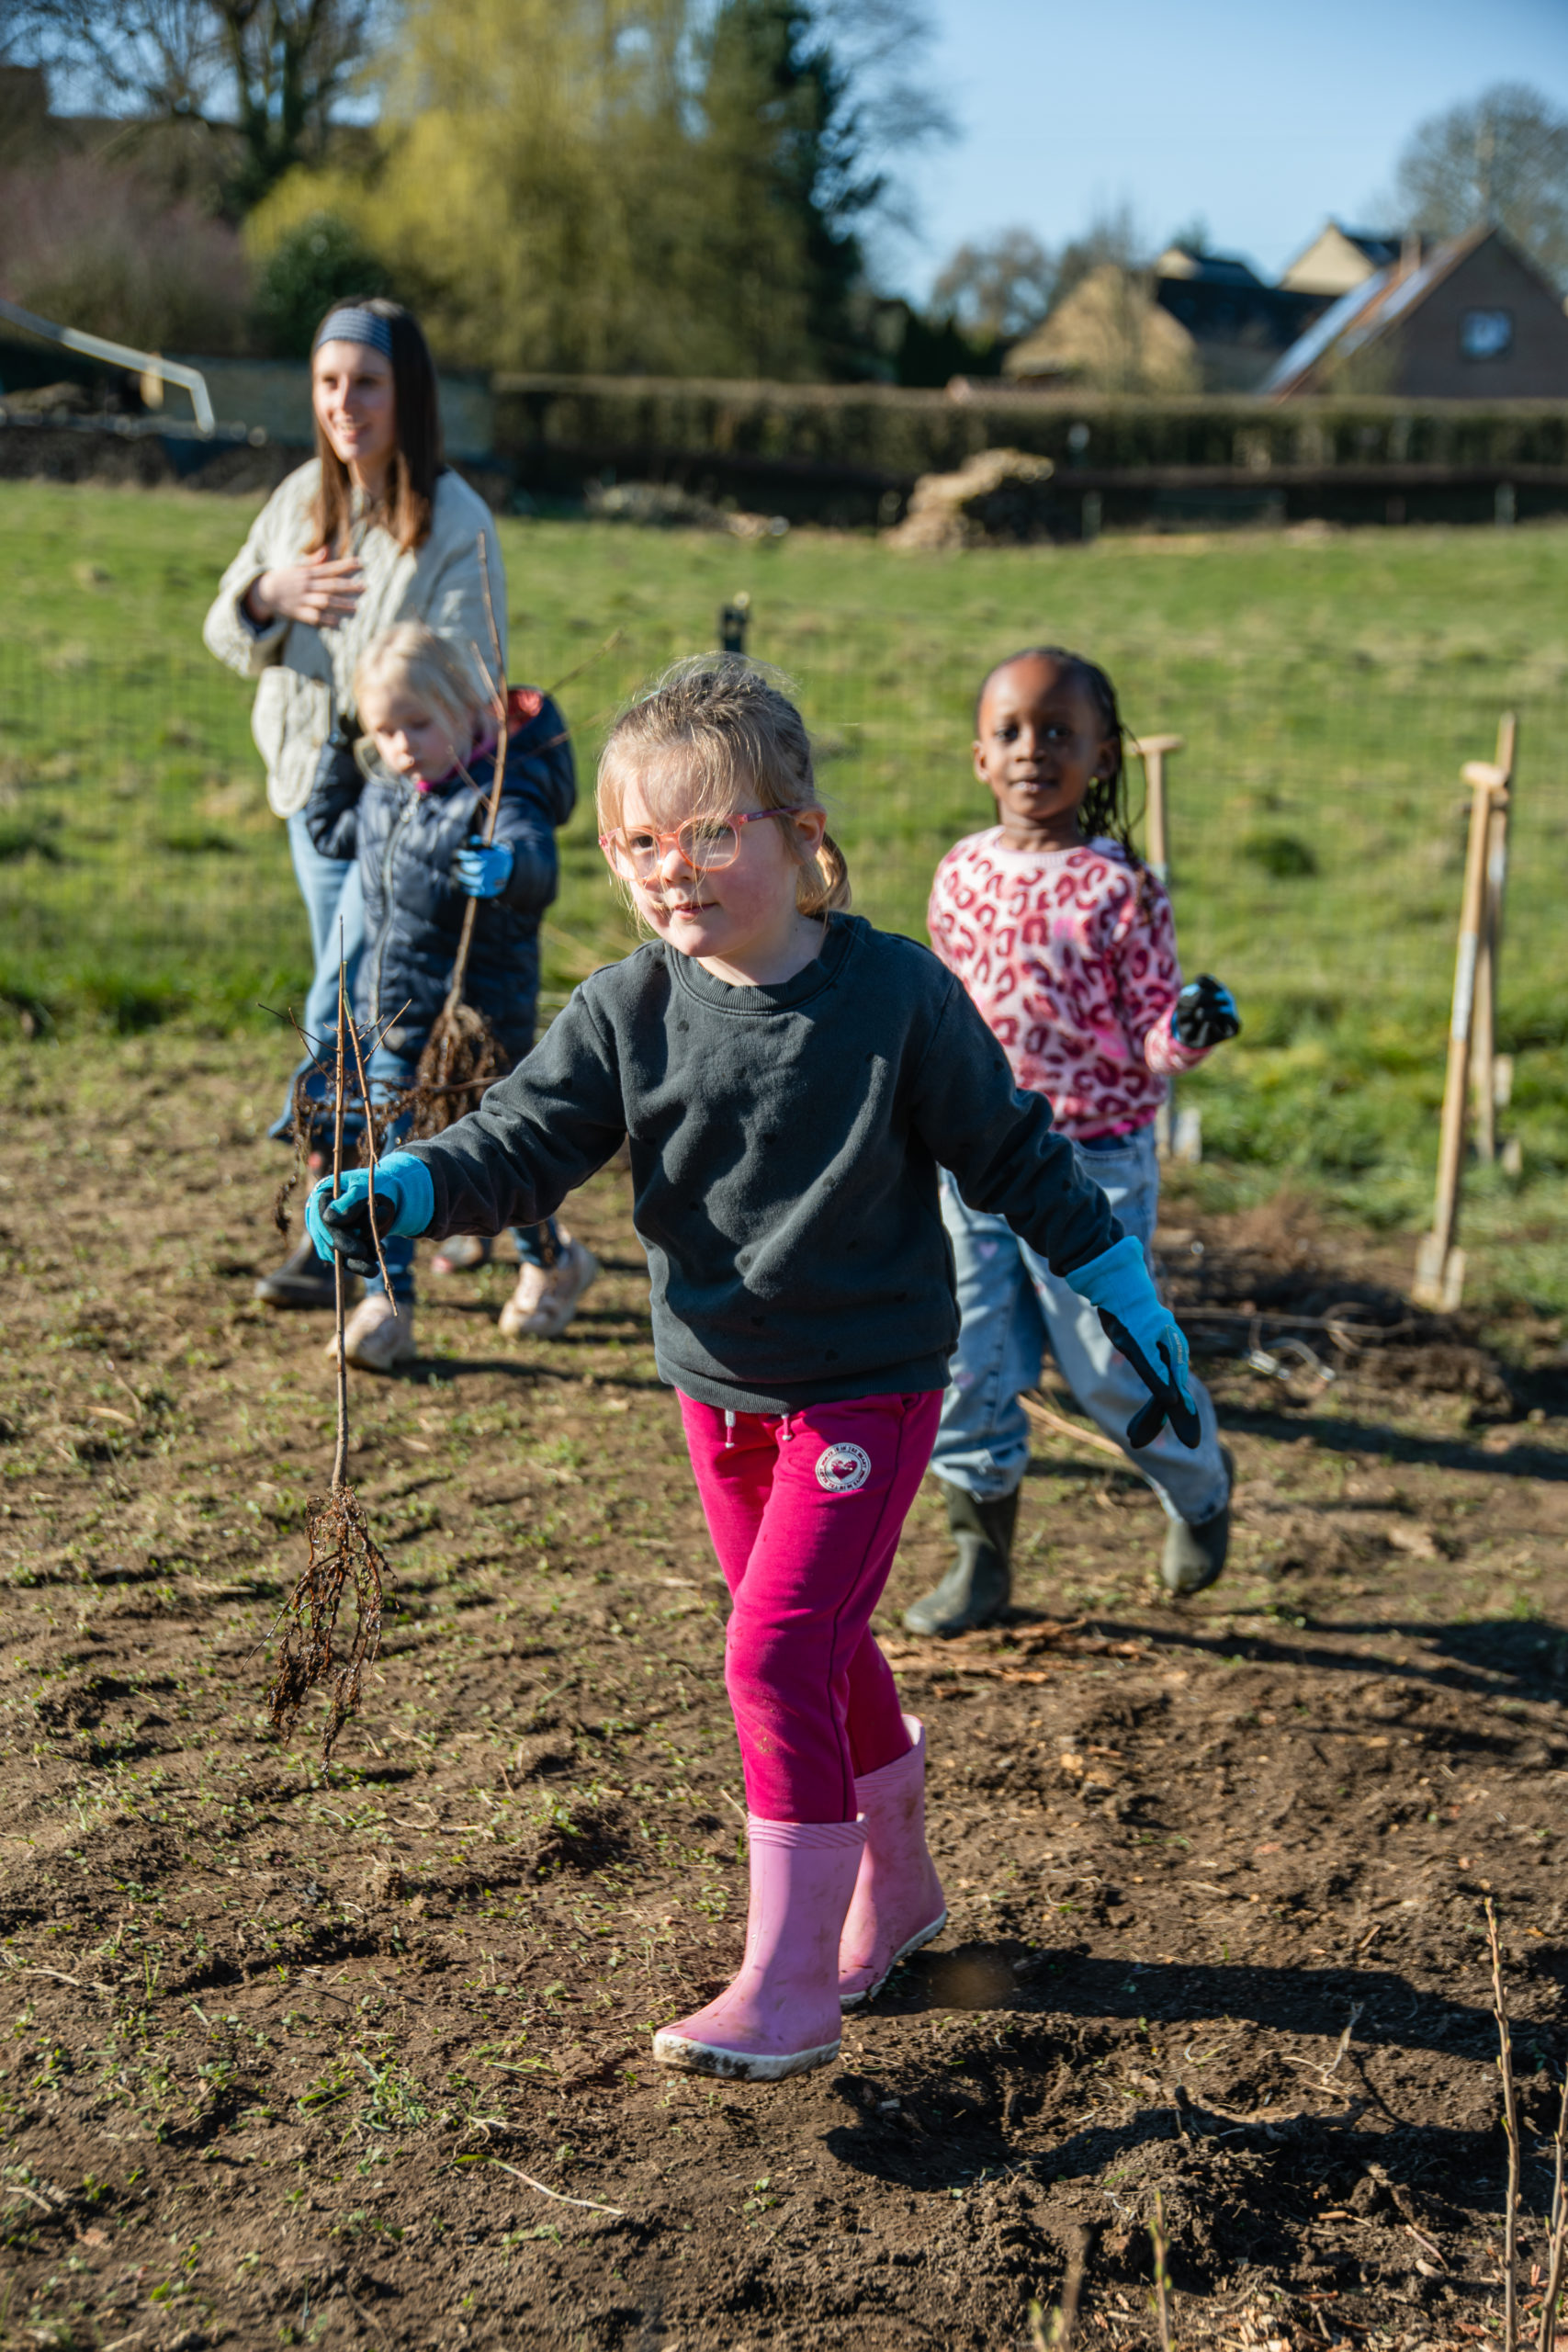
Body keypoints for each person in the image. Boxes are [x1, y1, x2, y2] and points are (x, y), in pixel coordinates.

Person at [299, 658, 1201, 2084]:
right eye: (637, 841)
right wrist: (409, 1188)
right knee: (818, 1641)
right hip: (716, 1391)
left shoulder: (893, 996)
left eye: (710, 833)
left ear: (800, 834)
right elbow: (522, 1140)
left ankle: (787, 1987)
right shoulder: (626, 1009)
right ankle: (897, 1897)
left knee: (772, 1652)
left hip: (868, 1385)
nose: (671, 868)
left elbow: (1013, 1154)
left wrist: (1119, 1286)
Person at [904, 646, 1241, 1639]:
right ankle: (978, 1550)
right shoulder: (960, 872)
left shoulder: (1121, 887)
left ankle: (1198, 1485)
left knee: (1106, 1361)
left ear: (1102, 756)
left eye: (1059, 732)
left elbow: (1150, 1036)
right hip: (972, 1158)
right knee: (970, 1356)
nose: (1032, 750)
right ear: (978, 755)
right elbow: (946, 1013)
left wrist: (1189, 1030)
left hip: (1090, 1165)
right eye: (1009, 731)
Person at [202, 295, 505, 1312]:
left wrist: (379, 712)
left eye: (366, 382)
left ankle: (340, 1232)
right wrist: (270, 595)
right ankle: (417, 1203)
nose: (344, 403)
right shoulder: (298, 499)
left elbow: (466, 684)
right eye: (328, 383)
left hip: (396, 815)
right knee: (354, 1011)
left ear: (406, 392)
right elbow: (223, 625)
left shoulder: (455, 523)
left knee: (345, 1015)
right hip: (309, 798)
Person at [302, 622, 595, 1371]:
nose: (401, 745)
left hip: (477, 1024)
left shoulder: (496, 791)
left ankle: (552, 1258)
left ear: (467, 709)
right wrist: (339, 746)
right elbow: (328, 830)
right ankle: (387, 1304)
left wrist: (509, 868)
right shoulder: (385, 792)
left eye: (418, 724)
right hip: (395, 1019)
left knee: (496, 1159)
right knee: (390, 1152)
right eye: (382, 731)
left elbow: (535, 856)